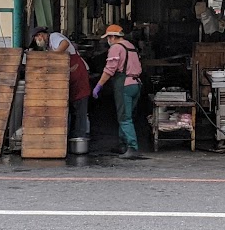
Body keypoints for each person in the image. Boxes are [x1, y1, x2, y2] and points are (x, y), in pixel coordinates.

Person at [27, 26, 91, 139]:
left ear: (41, 35)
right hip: (70, 79)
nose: (37, 41)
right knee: (72, 109)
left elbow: (65, 44)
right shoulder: (49, 47)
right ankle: (72, 137)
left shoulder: (54, 37)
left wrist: (52, 57)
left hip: (78, 75)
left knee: (80, 108)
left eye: (37, 38)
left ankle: (80, 137)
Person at [92, 24, 143, 159]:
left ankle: (132, 147)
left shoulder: (116, 48)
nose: (108, 40)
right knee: (127, 115)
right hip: (136, 84)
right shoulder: (131, 46)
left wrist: (99, 85)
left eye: (108, 37)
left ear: (113, 37)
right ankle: (123, 144)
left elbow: (110, 69)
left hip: (124, 85)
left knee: (124, 117)